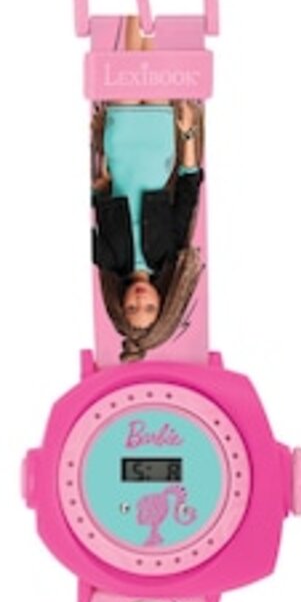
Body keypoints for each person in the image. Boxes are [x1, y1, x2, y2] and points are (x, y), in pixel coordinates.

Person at [90, 18, 205, 360]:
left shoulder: (108, 259)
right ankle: (142, 5)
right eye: (150, 307)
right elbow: (188, 186)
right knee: (150, 58)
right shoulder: (169, 253)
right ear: (162, 301)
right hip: (157, 144)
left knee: (130, 57)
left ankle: (133, 2)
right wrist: (187, 133)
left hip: (122, 143)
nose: (140, 300)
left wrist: (98, 189)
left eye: (132, 308)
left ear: (120, 302)